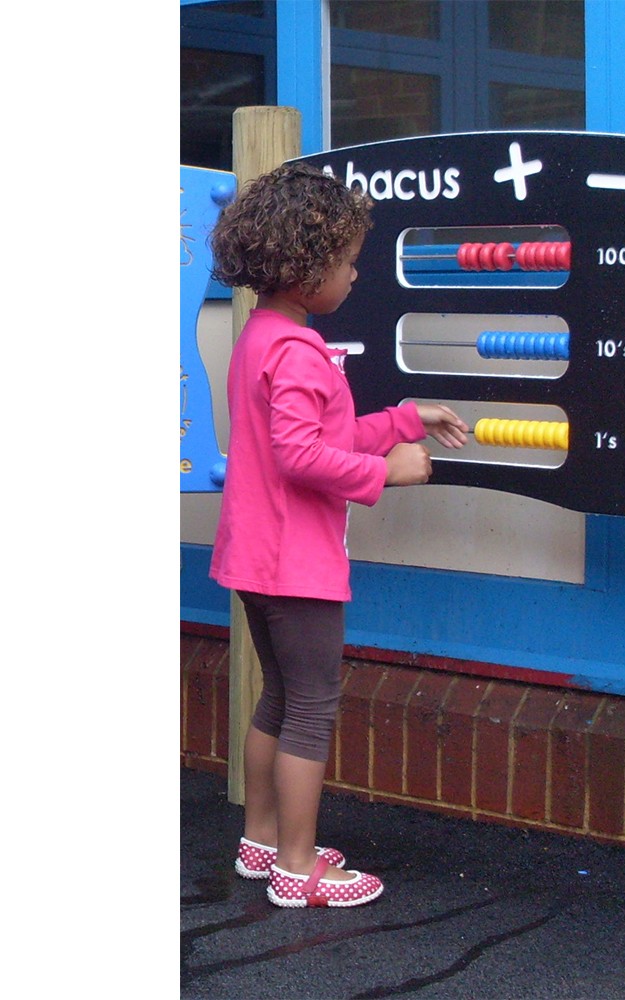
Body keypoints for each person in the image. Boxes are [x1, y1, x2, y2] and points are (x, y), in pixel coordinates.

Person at [208, 162, 468, 908]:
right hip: (297, 562)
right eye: (348, 263)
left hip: (258, 556)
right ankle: (298, 865)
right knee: (313, 706)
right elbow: (302, 455)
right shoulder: (295, 351)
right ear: (305, 270)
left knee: (279, 699)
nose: (355, 277)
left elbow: (326, 430)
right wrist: (390, 471)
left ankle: (262, 841)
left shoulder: (264, 335)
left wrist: (404, 419)